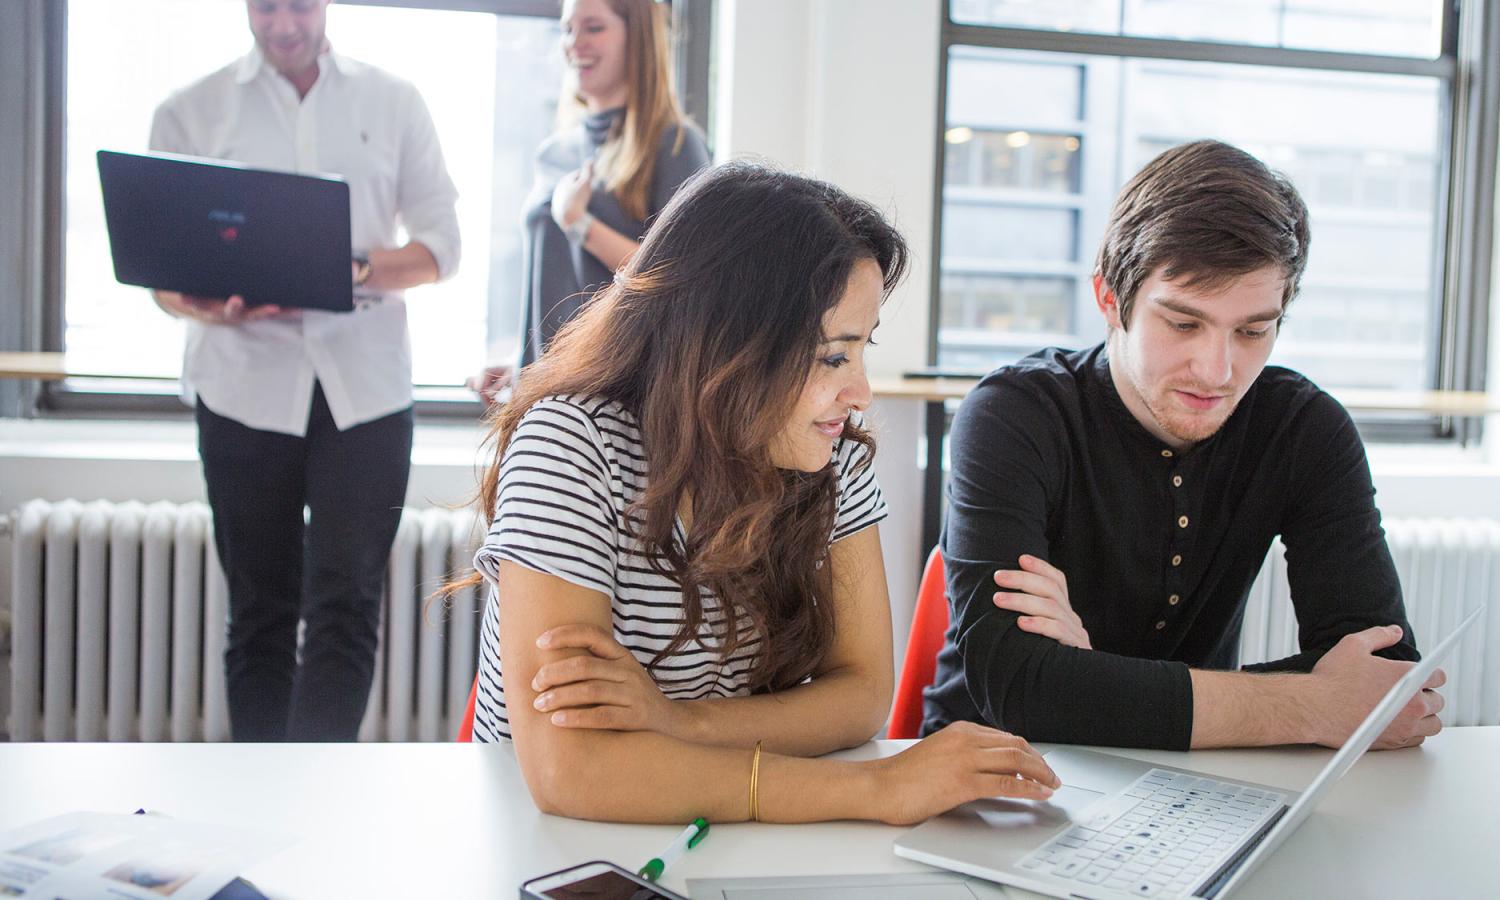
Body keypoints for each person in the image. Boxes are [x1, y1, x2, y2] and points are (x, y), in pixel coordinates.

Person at [459, 162, 1060, 824]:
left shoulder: (831, 452)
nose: (859, 391)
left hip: (713, 830)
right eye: (833, 356)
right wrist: (876, 789)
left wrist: (677, 722)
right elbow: (571, 770)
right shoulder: (573, 443)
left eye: (862, 351)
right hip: (541, 840)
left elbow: (861, 693)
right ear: (727, 346)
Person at [923, 140, 1448, 752]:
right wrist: (1311, 703)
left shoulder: (1304, 427)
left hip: (1188, 777)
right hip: (994, 768)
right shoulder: (1015, 415)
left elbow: (1383, 676)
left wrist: (1088, 685)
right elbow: (1020, 689)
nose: (1218, 371)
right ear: (1110, 299)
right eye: (1183, 323)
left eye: (1253, 330)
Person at [148, 0, 460, 741]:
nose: (282, 24)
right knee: (257, 608)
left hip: (367, 392)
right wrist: (208, 305)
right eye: (264, 7)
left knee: (347, 604)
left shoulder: (394, 101)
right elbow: (161, 276)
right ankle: (260, 807)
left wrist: (341, 265)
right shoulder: (189, 110)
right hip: (240, 388)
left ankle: (319, 801)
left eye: (298, 5)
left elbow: (441, 248)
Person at [467, 0, 710, 404]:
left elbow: (683, 284)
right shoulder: (554, 151)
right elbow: (562, 286)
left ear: (638, 38)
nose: (574, 43)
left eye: (593, 27)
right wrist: (525, 364)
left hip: (625, 400)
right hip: (550, 398)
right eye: (567, 29)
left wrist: (578, 222)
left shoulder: (674, 145)